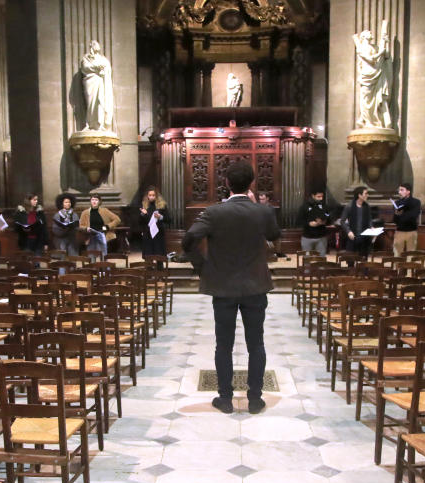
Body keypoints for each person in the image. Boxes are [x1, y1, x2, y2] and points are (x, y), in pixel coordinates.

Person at [182, 160, 280, 415]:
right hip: (255, 285)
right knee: (256, 343)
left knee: (223, 345)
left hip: (223, 287)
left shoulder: (214, 212)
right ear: (251, 184)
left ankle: (224, 399)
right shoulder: (263, 211)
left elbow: (189, 238)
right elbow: (274, 236)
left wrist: (201, 267)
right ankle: (255, 399)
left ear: (226, 184)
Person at [339, 186, 379, 257]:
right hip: (352, 237)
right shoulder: (349, 206)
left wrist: (371, 227)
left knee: (363, 263)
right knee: (351, 262)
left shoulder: (367, 206)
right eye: (366, 193)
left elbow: (369, 220)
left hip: (364, 239)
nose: (367, 195)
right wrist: (348, 231)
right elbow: (342, 221)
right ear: (359, 195)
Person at [297, 188, 331, 255]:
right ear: (313, 196)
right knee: (307, 260)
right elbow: (299, 221)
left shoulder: (324, 206)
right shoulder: (304, 206)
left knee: (321, 260)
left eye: (322, 196)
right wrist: (309, 223)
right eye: (318, 196)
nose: (321, 198)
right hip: (307, 237)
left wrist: (324, 222)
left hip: (321, 237)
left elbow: (328, 217)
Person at [392, 182, 421, 256]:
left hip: (411, 231)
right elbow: (395, 220)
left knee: (410, 254)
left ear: (408, 191)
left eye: (402, 190)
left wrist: (402, 215)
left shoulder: (416, 202)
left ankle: (410, 267)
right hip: (399, 231)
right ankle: (397, 268)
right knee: (397, 254)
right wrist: (397, 214)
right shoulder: (397, 203)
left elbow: (414, 215)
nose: (399, 192)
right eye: (399, 190)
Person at [140, 187, 168, 257]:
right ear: (147, 196)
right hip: (147, 233)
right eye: (150, 195)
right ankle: (149, 267)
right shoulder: (144, 205)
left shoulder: (162, 205)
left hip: (158, 233)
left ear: (157, 196)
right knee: (148, 256)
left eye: (153, 195)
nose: (151, 197)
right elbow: (140, 222)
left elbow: (169, 219)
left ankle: (160, 267)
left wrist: (160, 217)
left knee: (159, 255)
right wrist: (143, 214)